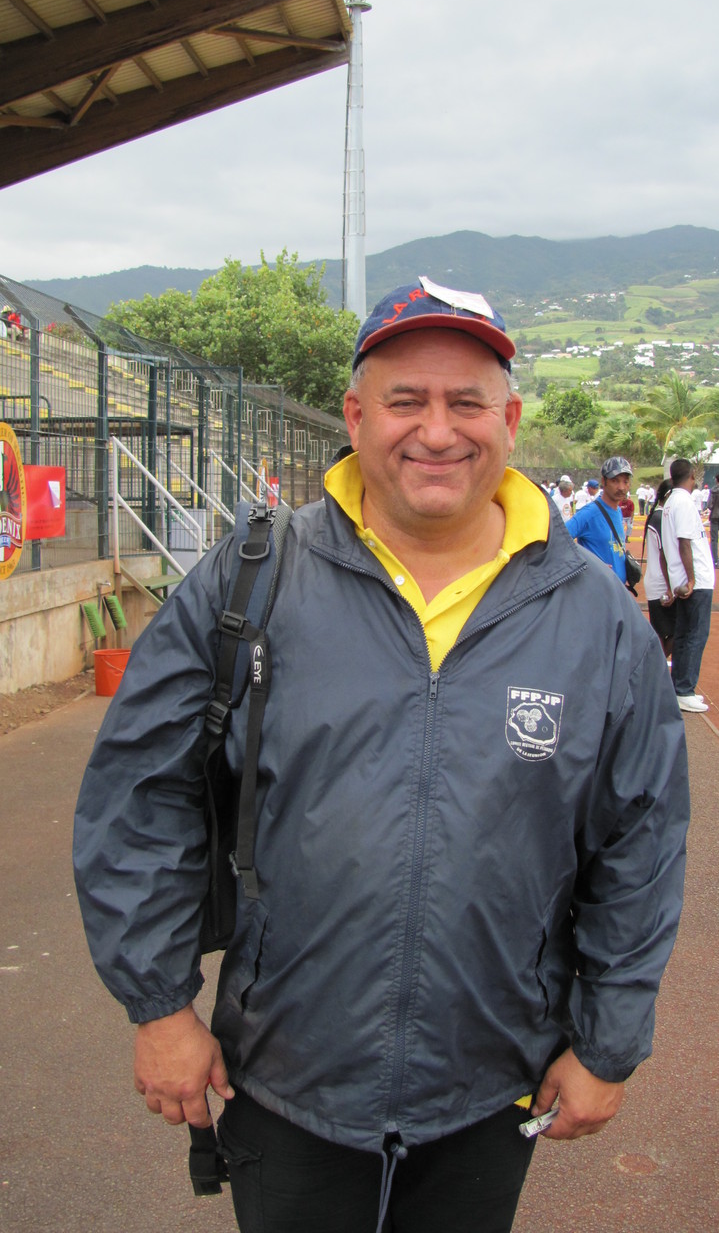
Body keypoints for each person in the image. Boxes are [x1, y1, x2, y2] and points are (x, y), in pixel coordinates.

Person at [73, 278, 689, 1233]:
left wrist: (607, 1045)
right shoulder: (254, 576)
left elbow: (637, 845)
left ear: (508, 421)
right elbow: (139, 798)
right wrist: (159, 1007)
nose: (436, 431)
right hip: (286, 1073)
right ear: (356, 418)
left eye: (466, 402)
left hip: (491, 1079)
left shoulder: (595, 616)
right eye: (405, 401)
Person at [661, 458, 716, 713]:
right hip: (696, 581)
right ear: (692, 476)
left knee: (684, 634)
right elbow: (684, 542)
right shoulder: (683, 502)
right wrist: (692, 579)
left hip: (684, 579)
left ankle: (679, 687)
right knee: (695, 634)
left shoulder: (672, 502)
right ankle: (684, 689)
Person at [564, 456, 633, 585]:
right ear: (603, 481)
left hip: (617, 590)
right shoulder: (589, 513)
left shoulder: (618, 511)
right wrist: (587, 566)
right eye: (615, 481)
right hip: (597, 591)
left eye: (625, 481)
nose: (621, 487)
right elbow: (558, 540)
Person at [642, 480, 676, 661]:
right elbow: (664, 555)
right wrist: (670, 588)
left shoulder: (658, 516)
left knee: (664, 633)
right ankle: (653, 668)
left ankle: (654, 667)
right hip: (661, 583)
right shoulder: (660, 517)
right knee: (673, 632)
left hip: (658, 581)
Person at [709, 472, 719, 569]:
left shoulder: (713, 491)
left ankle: (715, 561)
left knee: (714, 540)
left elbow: (710, 505)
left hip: (715, 517)